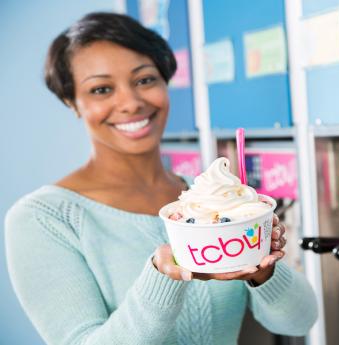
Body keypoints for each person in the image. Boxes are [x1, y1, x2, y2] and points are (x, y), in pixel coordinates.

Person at [5, 12, 317, 345]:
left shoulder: (207, 202)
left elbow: (299, 321)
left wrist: (263, 270)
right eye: (101, 89)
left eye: (144, 80)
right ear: (72, 102)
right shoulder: (42, 218)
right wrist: (163, 275)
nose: (131, 102)